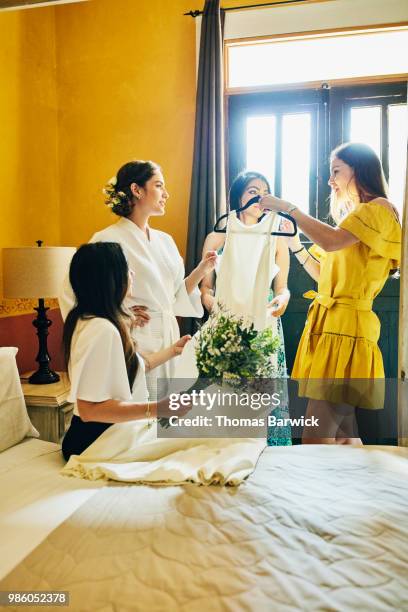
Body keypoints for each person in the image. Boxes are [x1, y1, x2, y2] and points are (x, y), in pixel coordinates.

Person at [260, 142, 402, 444]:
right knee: (344, 433)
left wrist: (288, 207)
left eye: (336, 171)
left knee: (317, 434)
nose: (330, 180)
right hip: (333, 326)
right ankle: (357, 489)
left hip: (347, 328)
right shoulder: (360, 217)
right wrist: (296, 245)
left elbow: (331, 242)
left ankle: (318, 490)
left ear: (358, 170)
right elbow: (323, 274)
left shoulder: (377, 210)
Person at [59, 160, 217, 399]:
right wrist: (122, 317)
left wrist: (201, 271)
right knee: (139, 411)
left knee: (165, 416)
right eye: (159, 185)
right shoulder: (106, 241)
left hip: (168, 339)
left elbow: (174, 297)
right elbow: (74, 293)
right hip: (136, 340)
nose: (166, 193)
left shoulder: (165, 241)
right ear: (137, 190)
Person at [61, 242, 191, 461]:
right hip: (96, 440)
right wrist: (158, 408)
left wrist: (173, 350)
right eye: (127, 267)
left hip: (108, 432)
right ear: (111, 278)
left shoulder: (87, 320)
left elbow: (138, 367)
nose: (132, 273)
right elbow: (89, 410)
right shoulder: (101, 330)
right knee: (193, 447)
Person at [200, 170, 292, 446]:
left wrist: (282, 300)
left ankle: (267, 456)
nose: (259, 196)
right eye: (253, 190)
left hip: (262, 321)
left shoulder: (276, 234)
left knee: (262, 401)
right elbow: (206, 287)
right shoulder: (219, 233)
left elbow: (282, 287)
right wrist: (210, 302)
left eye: (264, 191)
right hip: (226, 323)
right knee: (227, 397)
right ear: (238, 196)